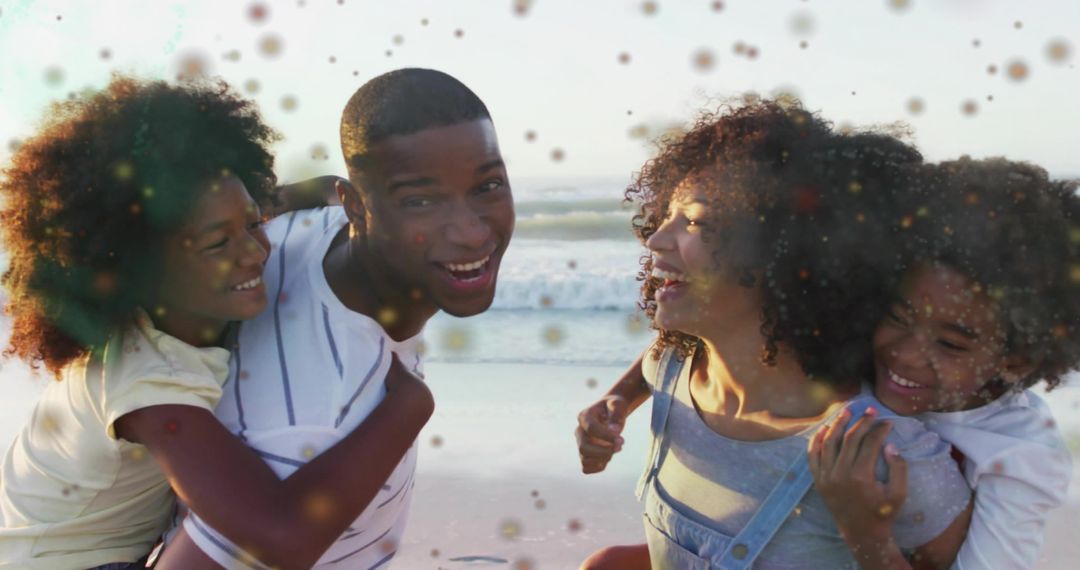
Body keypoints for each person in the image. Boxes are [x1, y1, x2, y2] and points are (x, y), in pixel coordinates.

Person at [0, 74, 434, 570]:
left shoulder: (184, 295)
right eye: (218, 244)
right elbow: (281, 537)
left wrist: (357, 199)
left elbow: (285, 197)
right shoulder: (148, 382)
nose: (253, 252)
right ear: (142, 268)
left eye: (252, 224)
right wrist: (406, 408)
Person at [575, 100, 973, 569]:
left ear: (783, 253)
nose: (657, 239)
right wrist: (616, 401)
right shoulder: (673, 372)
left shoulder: (879, 452)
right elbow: (654, 360)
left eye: (695, 221)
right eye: (665, 216)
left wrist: (865, 534)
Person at [156, 67, 515, 568]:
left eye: (488, 185)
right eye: (420, 201)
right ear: (358, 208)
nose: (473, 233)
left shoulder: (286, 231)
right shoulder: (312, 428)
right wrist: (412, 405)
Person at [809, 157, 1078, 569]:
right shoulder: (848, 350)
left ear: (1017, 360)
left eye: (951, 344)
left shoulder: (1021, 458)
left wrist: (866, 532)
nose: (906, 354)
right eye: (898, 317)